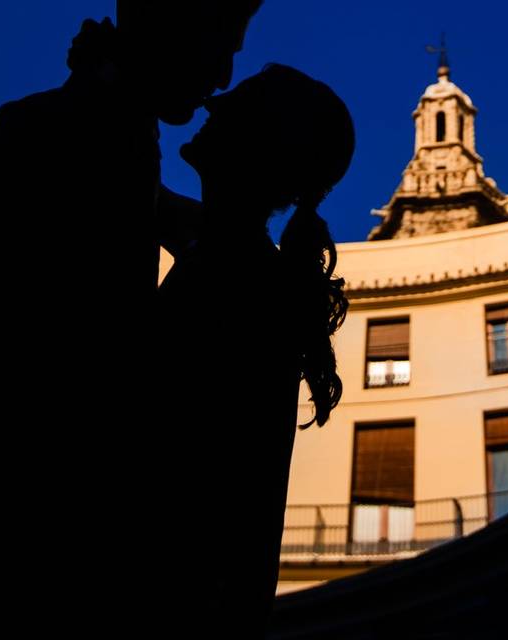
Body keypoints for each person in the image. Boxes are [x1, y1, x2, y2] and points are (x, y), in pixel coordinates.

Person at [0, 2, 262, 631]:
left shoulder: (69, 133)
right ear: (171, 30)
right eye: (224, 45)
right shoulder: (84, 144)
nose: (226, 76)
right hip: (15, 534)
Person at [156, 63, 355, 636]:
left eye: (237, 102)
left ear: (260, 143)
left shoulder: (233, 274)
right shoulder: (238, 257)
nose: (214, 103)